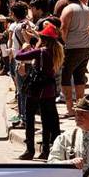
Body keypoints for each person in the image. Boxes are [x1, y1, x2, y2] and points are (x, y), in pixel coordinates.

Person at [15, 23, 63, 160]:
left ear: (44, 39)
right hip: (49, 90)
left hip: (36, 88)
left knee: (30, 118)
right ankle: (46, 150)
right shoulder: (57, 51)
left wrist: (25, 47)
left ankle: (29, 150)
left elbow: (19, 56)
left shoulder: (40, 52)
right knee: (46, 120)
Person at [60, 0, 89, 116]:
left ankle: (70, 108)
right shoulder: (86, 9)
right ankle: (80, 106)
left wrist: (63, 43)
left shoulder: (68, 9)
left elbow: (64, 28)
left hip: (71, 47)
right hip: (85, 47)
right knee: (79, 76)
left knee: (65, 78)